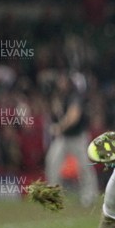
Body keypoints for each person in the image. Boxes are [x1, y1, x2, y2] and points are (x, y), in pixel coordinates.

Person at [44, 71, 98, 207]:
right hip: (64, 138)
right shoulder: (60, 96)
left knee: (85, 167)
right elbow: (58, 113)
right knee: (52, 161)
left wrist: (59, 127)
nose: (60, 83)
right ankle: (53, 196)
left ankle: (89, 195)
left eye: (63, 81)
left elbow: (73, 117)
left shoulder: (75, 96)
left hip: (78, 137)